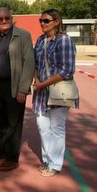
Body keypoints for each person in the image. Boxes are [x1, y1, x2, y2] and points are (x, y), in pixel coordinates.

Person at [0, 7, 35, 172]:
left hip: (14, 85)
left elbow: (29, 63)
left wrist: (23, 89)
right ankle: (2, 149)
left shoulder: (23, 36)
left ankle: (11, 158)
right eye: (0, 19)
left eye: (7, 18)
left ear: (12, 18)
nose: (4, 21)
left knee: (13, 123)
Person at [32, 9, 78, 177]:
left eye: (46, 20)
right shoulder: (40, 40)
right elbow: (35, 63)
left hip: (59, 91)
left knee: (57, 128)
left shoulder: (64, 40)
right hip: (41, 92)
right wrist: (36, 79)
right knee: (43, 127)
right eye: (41, 20)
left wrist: (43, 83)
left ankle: (54, 164)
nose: (42, 23)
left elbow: (67, 70)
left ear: (57, 21)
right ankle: (47, 160)